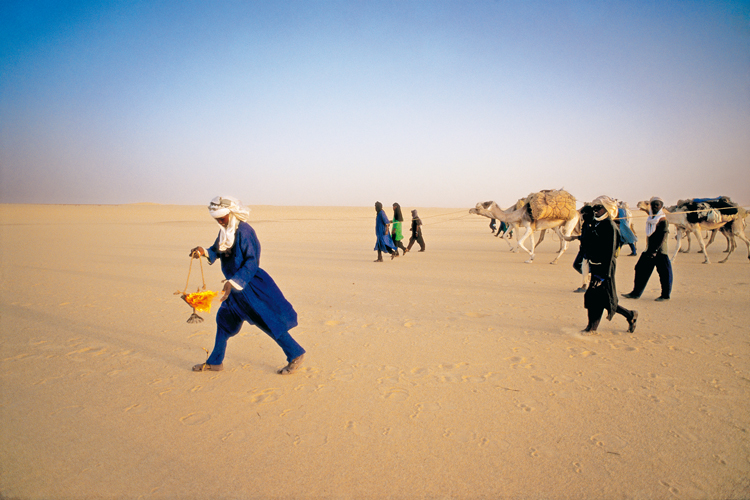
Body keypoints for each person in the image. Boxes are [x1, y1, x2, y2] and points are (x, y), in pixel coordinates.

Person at [189, 196, 305, 374]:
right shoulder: (225, 231)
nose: (219, 221)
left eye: (222, 217)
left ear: (232, 213)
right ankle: (215, 362)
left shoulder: (244, 231)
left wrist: (234, 282)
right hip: (234, 293)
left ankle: (295, 353)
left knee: (267, 322)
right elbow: (216, 250)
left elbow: (252, 262)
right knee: (224, 322)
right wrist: (202, 252)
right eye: (217, 219)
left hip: (250, 288)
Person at [581, 197, 638, 334]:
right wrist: (586, 225)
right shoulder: (595, 224)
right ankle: (592, 326)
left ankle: (630, 315)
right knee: (593, 297)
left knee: (605, 299)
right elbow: (587, 244)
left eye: (599, 208)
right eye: (594, 208)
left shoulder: (610, 226)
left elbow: (609, 253)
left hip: (605, 268)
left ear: (607, 209)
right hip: (595, 266)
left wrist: (602, 276)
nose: (596, 211)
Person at [622, 196, 673, 301]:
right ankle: (636, 293)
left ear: (661, 206)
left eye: (657, 205)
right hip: (649, 250)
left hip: (660, 251)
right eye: (653, 205)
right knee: (640, 269)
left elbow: (662, 237)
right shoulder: (651, 219)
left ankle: (665, 295)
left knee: (664, 273)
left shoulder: (663, 220)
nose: (655, 207)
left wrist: (654, 251)